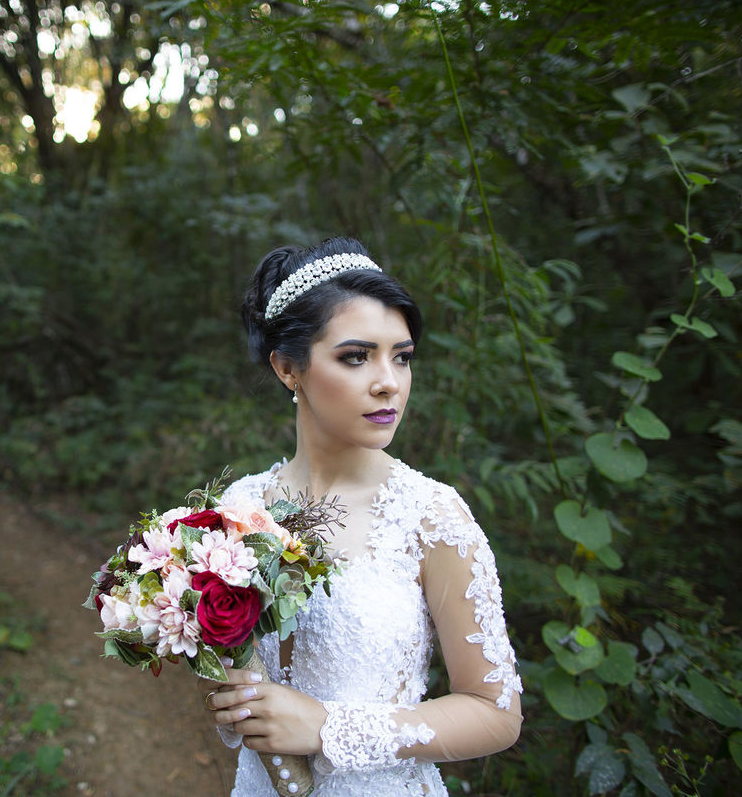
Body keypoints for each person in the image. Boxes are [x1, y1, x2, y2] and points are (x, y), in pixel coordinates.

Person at [201, 237, 523, 796]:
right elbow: (240, 671)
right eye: (356, 356)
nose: (389, 382)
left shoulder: (430, 517)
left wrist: (328, 727)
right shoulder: (238, 508)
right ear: (287, 369)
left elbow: (496, 713)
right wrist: (235, 698)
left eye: (401, 356)